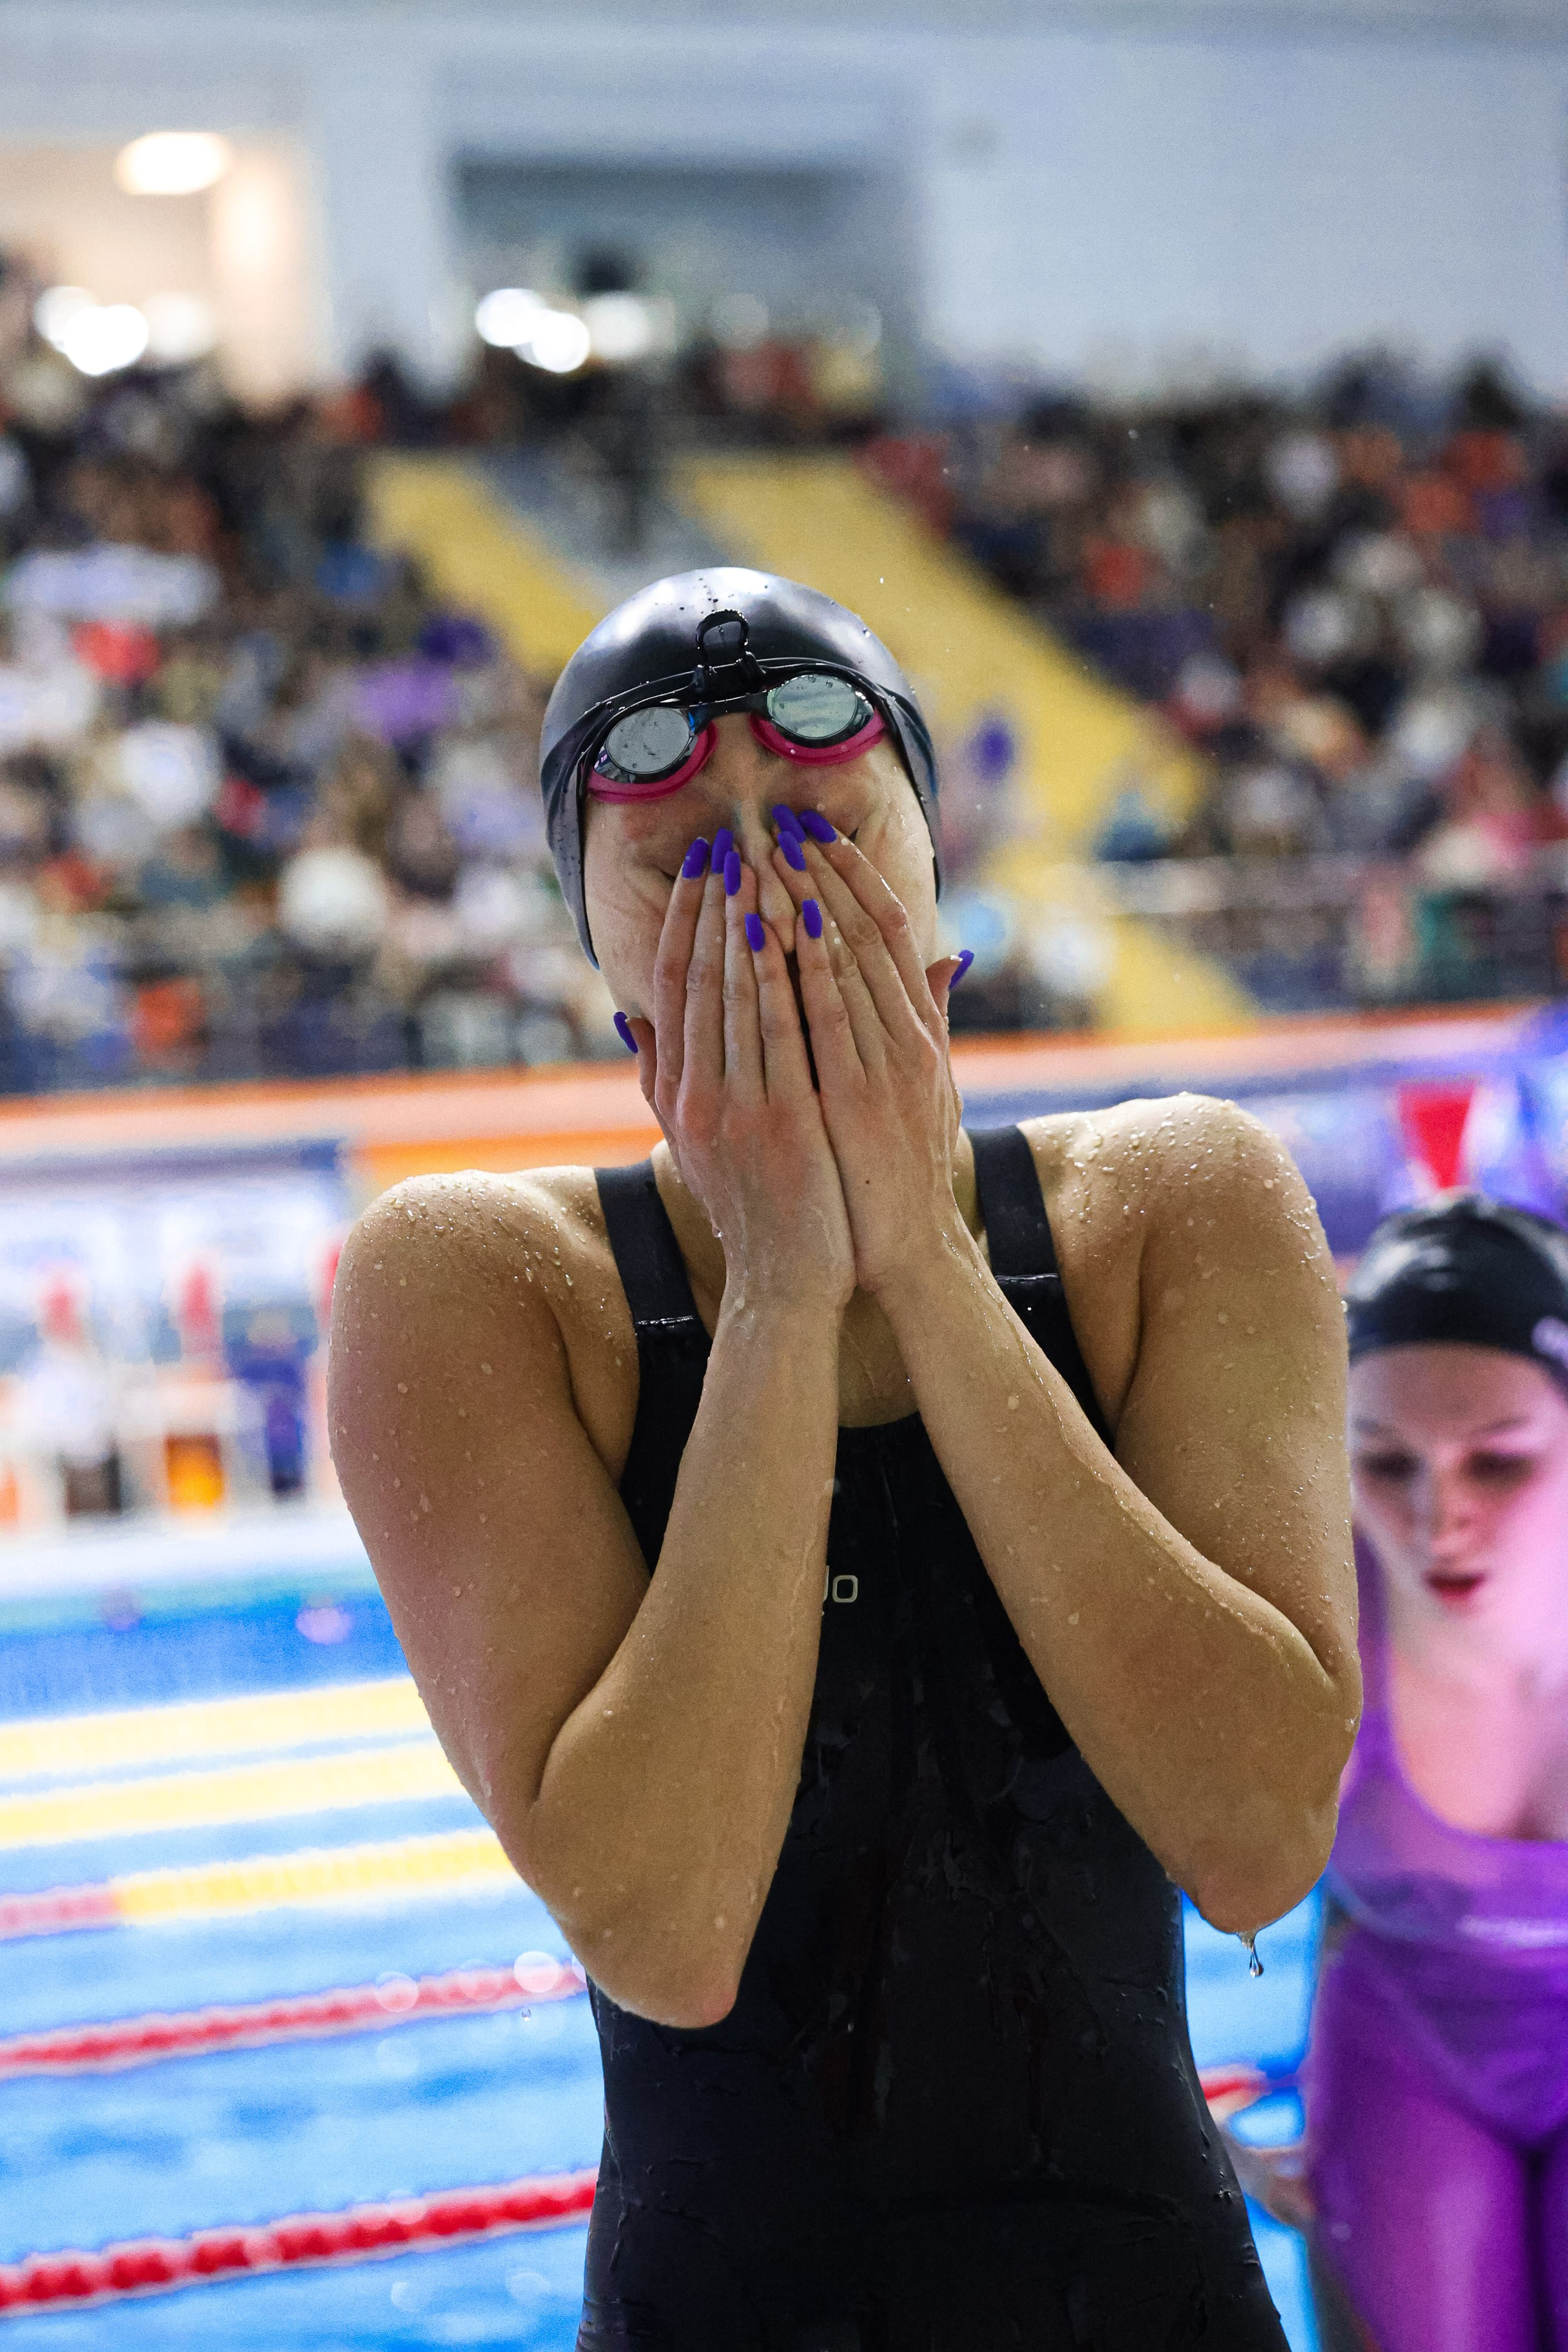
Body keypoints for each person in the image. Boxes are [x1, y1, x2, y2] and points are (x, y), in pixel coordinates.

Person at [330, 568, 1358, 2352]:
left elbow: (1260, 1840)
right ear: (618, 1001)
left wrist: (932, 1267)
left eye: (817, 833)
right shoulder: (477, 1292)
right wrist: (787, 1287)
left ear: (942, 922)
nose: (767, 909)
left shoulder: (1174, 1208)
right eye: (688, 871)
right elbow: (666, 1933)